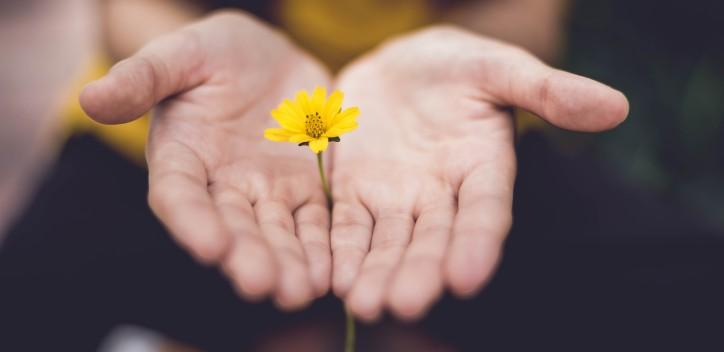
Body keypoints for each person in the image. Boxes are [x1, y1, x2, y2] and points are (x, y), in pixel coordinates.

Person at [79, 2, 628, 323]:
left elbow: (528, 13)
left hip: (450, 141)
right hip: (198, 135)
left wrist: (466, 53)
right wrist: (181, 58)